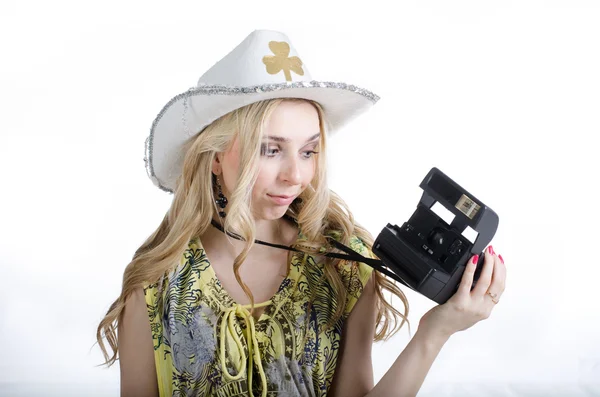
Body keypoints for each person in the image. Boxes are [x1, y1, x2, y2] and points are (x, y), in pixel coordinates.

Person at [96, 29, 506, 397]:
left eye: (308, 151)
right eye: (270, 149)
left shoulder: (341, 266)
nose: (296, 175)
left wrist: (433, 335)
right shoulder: (157, 281)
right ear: (216, 156)